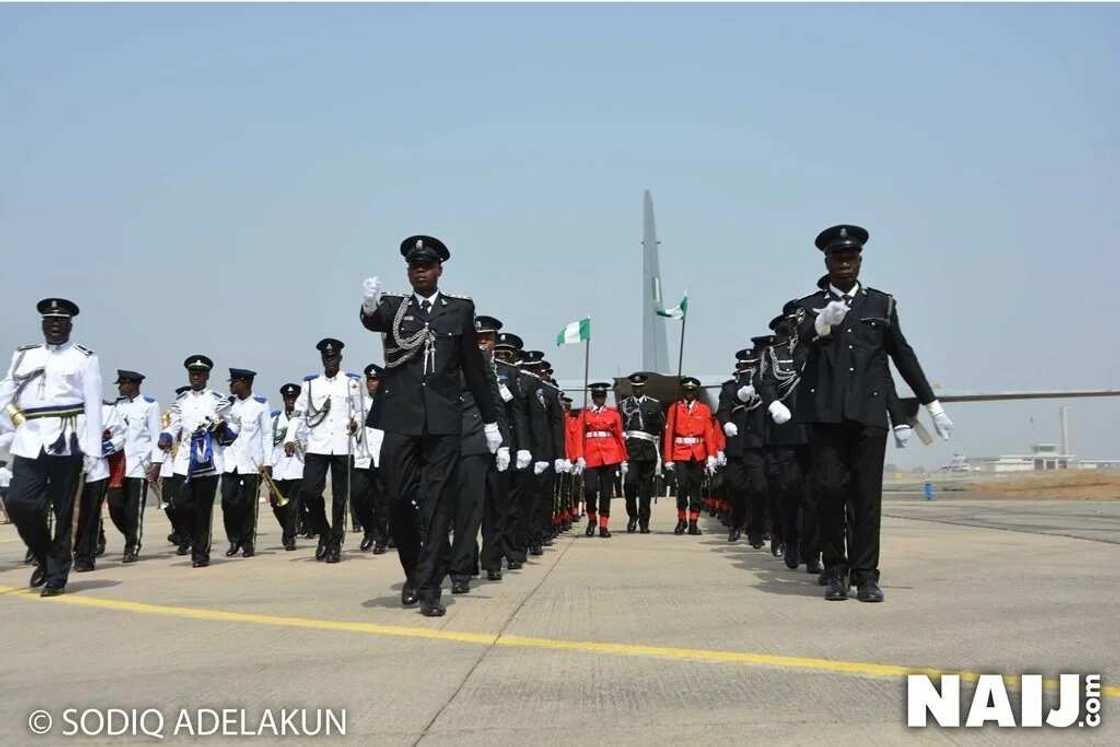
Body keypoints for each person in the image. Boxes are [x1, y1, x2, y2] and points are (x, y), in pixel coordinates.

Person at [794, 224, 952, 602]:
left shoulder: (882, 305)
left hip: (867, 415)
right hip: (826, 416)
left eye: (851, 257)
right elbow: (800, 348)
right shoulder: (808, 306)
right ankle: (835, 571)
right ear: (827, 261)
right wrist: (820, 324)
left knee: (866, 498)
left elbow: (902, 355)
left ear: (860, 261)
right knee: (830, 494)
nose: (845, 263)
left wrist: (930, 402)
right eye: (838, 257)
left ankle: (866, 575)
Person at [359, 234, 501, 617]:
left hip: (442, 422)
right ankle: (414, 571)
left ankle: (430, 588)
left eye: (426, 266)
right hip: (400, 419)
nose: (420, 272)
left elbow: (472, 367)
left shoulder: (458, 310)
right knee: (396, 499)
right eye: (414, 267)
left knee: (439, 506)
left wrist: (490, 421)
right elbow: (373, 321)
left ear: (439, 270)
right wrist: (369, 305)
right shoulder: (395, 308)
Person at [0, 298, 103, 595]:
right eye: (49, 321)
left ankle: (57, 574)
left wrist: (93, 451)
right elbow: (6, 393)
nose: (54, 326)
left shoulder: (84, 358)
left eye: (60, 322)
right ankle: (46, 556)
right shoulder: (23, 355)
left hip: (66, 439)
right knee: (19, 502)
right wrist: (8, 427)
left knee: (63, 511)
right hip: (30, 438)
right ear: (42, 325)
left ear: (70, 326)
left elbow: (94, 406)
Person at [445, 315, 511, 593]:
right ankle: (465, 560)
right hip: (446, 440)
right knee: (454, 509)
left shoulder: (484, 363)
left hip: (477, 439)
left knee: (480, 507)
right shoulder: (440, 358)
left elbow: (494, 401)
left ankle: (474, 565)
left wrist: (503, 442)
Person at [284, 338, 364, 564]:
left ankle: (335, 543)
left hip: (342, 446)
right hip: (317, 446)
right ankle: (325, 534)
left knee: (340, 500)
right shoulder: (310, 385)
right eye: (326, 357)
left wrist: (356, 423)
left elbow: (360, 412)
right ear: (322, 359)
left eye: (333, 356)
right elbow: (298, 415)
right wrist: (290, 438)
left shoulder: (353, 383)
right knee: (309, 493)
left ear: (340, 357)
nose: (330, 360)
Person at [158, 355, 237, 569]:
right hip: (184, 460)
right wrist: (166, 436)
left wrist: (223, 429)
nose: (196, 377)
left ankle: (200, 553)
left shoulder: (217, 400)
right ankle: (190, 537)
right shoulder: (180, 401)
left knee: (203, 509)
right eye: (193, 373)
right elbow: (173, 425)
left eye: (200, 373)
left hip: (209, 462)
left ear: (207, 376)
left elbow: (233, 426)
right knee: (181, 503)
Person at [100, 370, 161, 563]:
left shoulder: (150, 406)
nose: (119, 387)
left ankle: (132, 546)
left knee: (134, 509)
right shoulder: (116, 407)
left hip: (138, 464)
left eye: (123, 384)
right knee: (115, 507)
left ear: (133, 385)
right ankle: (131, 535)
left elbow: (156, 435)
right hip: (117, 464)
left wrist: (156, 462)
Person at [493, 332, 538, 573]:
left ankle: (513, 550)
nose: (500, 359)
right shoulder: (486, 374)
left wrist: (526, 449)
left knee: (515, 505)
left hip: (516, 447)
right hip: (491, 445)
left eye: (505, 355)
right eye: (497, 354)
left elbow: (529, 419)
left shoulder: (524, 381)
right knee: (494, 505)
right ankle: (493, 552)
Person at [717, 349, 768, 545]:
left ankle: (757, 529)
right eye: (745, 366)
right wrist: (726, 423)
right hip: (737, 445)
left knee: (759, 488)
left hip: (756, 444)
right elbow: (723, 410)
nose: (748, 369)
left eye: (751, 365)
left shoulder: (762, 384)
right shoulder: (730, 388)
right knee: (736, 487)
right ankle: (736, 523)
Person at [221, 369, 271, 558]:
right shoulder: (227, 405)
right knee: (228, 501)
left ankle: (248, 542)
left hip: (251, 463)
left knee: (248, 504)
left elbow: (267, 435)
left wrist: (267, 462)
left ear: (245, 383)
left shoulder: (260, 405)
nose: (231, 386)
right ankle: (234, 539)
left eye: (234, 382)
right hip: (230, 462)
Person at [663, 377, 718, 536]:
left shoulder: (704, 409)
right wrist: (668, 458)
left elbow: (708, 432)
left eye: (692, 391)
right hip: (680, 452)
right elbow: (669, 434)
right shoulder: (674, 408)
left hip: (698, 452)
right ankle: (681, 519)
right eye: (687, 391)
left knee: (696, 488)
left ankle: (693, 521)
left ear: (696, 392)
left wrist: (711, 455)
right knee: (682, 486)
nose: (689, 394)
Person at [573, 382, 627, 538]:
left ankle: (603, 524)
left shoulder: (613, 414)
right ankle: (591, 519)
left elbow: (619, 437)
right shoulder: (585, 414)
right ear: (592, 397)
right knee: (590, 490)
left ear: (605, 397)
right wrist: (579, 456)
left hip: (610, 455)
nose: (599, 399)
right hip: (590, 455)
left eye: (602, 396)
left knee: (605, 492)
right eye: (596, 396)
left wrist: (623, 459)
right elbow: (578, 436)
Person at [351, 364, 390, 553]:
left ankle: (381, 539)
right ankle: (369, 530)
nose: (371, 383)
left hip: (382, 457)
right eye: (369, 380)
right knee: (358, 497)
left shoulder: (389, 402)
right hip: (363, 457)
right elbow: (352, 422)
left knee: (382, 501)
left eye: (374, 380)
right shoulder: (359, 404)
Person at [619, 373, 663, 534]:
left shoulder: (654, 405)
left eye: (640, 387)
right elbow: (619, 428)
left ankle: (644, 521)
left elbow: (660, 428)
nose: (637, 390)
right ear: (632, 387)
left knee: (645, 489)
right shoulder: (624, 404)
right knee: (629, 484)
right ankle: (632, 516)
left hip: (648, 451)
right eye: (634, 387)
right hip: (630, 450)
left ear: (643, 387)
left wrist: (661, 455)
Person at [269, 383, 305, 551]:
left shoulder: (305, 420)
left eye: (294, 398)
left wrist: (296, 441)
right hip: (278, 469)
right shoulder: (275, 420)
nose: (291, 400)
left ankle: (290, 537)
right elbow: (268, 443)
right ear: (283, 399)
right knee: (276, 504)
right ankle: (288, 529)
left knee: (292, 505)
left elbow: (310, 443)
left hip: (297, 468)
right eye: (288, 398)